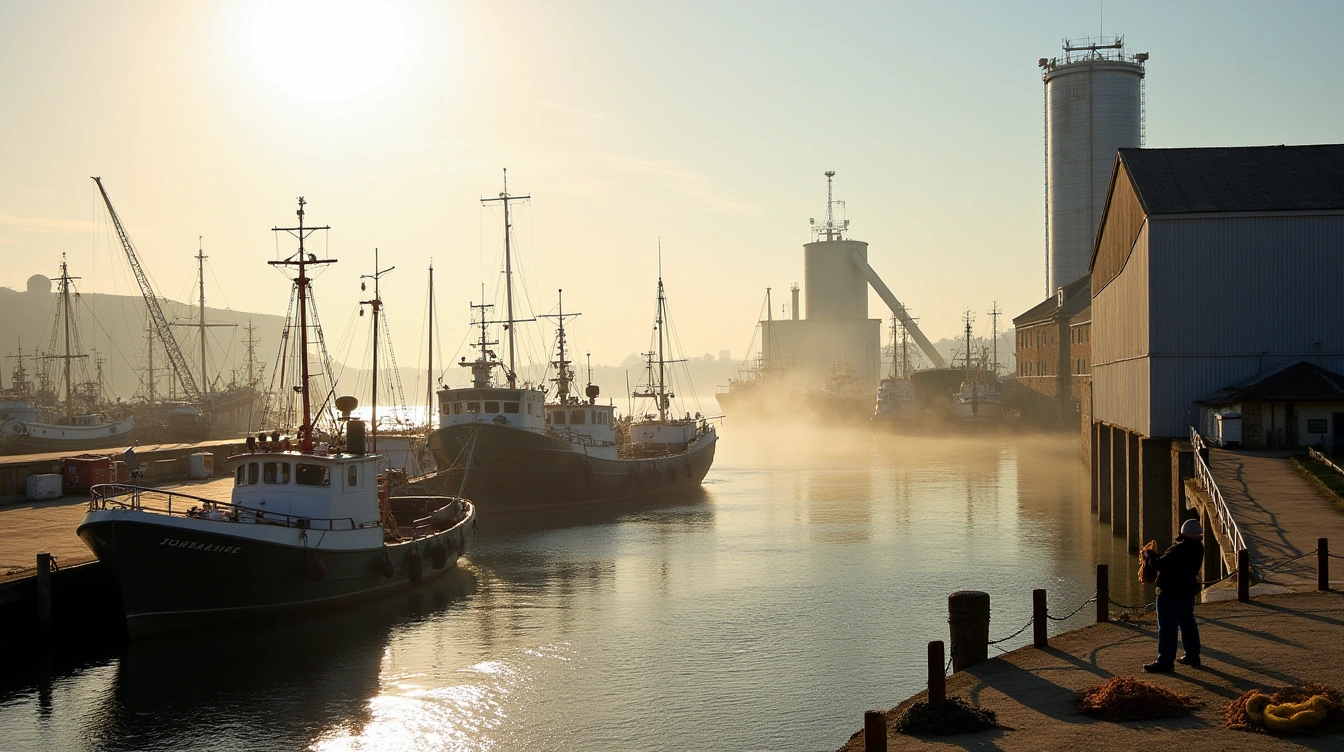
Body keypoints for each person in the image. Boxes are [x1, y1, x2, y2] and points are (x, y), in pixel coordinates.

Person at [1142, 518, 1205, 672]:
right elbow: (1171, 562)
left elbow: (1159, 564)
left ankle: (1165, 661)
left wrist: (1149, 556)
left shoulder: (1177, 549)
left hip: (1170, 594)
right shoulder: (1199, 548)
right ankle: (1192, 655)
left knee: (1167, 628)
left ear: (1183, 532)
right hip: (1187, 593)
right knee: (1188, 624)